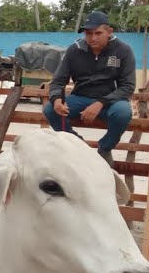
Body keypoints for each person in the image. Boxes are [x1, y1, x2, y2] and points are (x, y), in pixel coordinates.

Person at [44, 10, 135, 167]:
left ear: (109, 32)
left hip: (111, 101)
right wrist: (57, 99)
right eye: (88, 33)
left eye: (98, 33)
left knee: (123, 112)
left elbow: (128, 86)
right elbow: (58, 81)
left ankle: (105, 147)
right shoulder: (74, 50)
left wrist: (100, 103)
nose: (93, 38)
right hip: (80, 98)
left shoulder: (123, 50)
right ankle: (78, 145)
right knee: (50, 110)